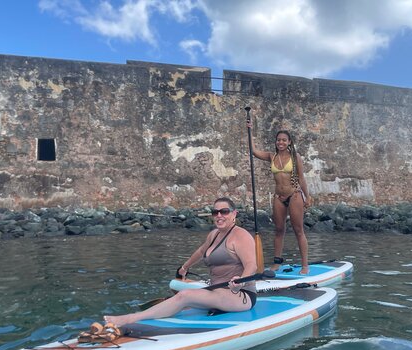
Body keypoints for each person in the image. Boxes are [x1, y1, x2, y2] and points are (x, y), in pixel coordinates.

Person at [104, 197, 257, 326]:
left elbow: (252, 265)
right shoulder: (214, 235)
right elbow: (201, 251)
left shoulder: (241, 236)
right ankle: (161, 310)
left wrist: (241, 281)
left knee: (184, 296)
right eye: (215, 212)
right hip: (216, 290)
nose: (219, 215)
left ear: (234, 214)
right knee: (180, 294)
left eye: (224, 211)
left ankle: (130, 318)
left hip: (240, 295)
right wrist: (184, 267)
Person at [248, 118, 312, 274]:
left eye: (284, 140)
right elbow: (254, 151)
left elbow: (301, 178)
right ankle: (277, 262)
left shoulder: (295, 157)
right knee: (278, 230)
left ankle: (305, 265)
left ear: (289, 142)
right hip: (278, 197)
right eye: (278, 140)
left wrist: (307, 196)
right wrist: (250, 131)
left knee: (298, 230)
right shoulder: (272, 156)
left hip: (294, 195)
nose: (280, 142)